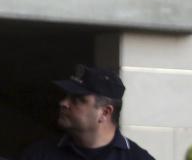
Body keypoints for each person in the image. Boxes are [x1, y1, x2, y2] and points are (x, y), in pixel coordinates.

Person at [20, 66, 155, 160]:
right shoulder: (39, 154)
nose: (64, 103)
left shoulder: (137, 158)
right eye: (66, 96)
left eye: (78, 99)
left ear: (105, 112)